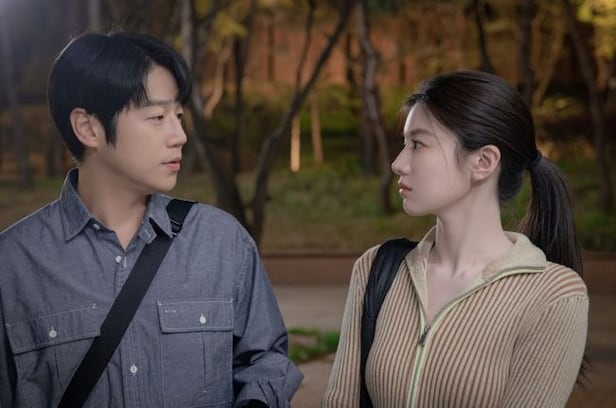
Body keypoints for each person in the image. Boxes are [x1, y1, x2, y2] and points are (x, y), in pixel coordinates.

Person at [0, 31, 302, 407]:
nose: (179, 136)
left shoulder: (222, 242)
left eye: (178, 116)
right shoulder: (13, 264)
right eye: (157, 117)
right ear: (88, 128)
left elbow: (265, 361)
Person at [322, 70, 588, 407]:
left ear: (483, 162)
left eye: (418, 144)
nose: (398, 163)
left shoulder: (554, 296)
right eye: (404, 143)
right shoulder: (377, 269)